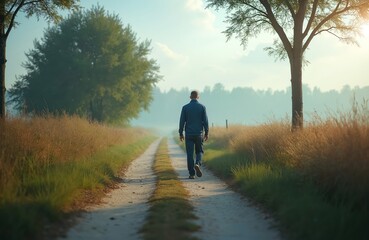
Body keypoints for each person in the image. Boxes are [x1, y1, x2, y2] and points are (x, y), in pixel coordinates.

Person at [179, 90, 209, 179]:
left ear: (190, 97)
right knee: (199, 151)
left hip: (189, 134)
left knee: (189, 154)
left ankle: (192, 174)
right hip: (199, 134)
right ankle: (197, 163)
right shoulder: (202, 107)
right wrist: (206, 132)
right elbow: (206, 122)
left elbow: (182, 121)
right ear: (198, 97)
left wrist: (181, 133)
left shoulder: (185, 107)